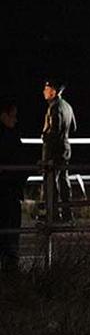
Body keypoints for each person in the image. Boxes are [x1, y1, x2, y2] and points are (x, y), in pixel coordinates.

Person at [41, 79, 76, 221]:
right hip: (66, 148)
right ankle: (67, 213)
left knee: (51, 181)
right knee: (63, 180)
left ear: (53, 91)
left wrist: (45, 135)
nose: (44, 91)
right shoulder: (68, 106)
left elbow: (54, 131)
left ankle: (53, 214)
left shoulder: (55, 108)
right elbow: (73, 127)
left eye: (46, 89)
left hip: (54, 149)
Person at [0, 99, 27, 272]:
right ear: (4, 116)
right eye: (13, 116)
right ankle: (10, 269)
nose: (15, 120)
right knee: (9, 232)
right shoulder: (9, 138)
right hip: (9, 192)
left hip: (7, 190)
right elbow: (20, 161)